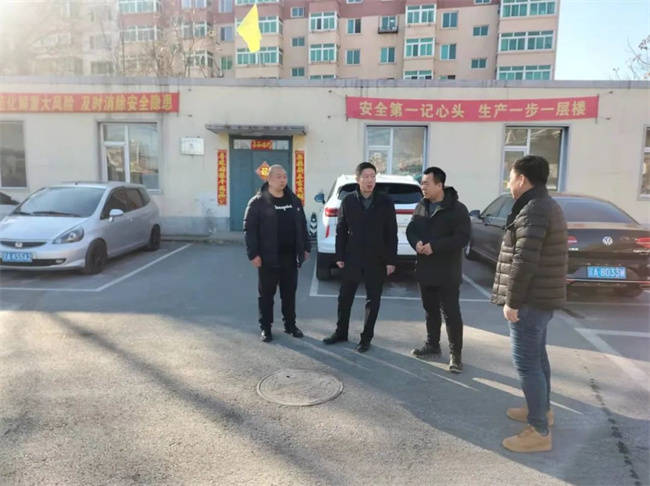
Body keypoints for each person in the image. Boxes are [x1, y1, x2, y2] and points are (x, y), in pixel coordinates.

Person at [492, 155, 568, 453]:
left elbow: (524, 261)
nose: (509, 183)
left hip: (531, 300)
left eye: (511, 177)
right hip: (541, 298)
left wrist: (512, 302)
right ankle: (542, 410)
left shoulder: (534, 209)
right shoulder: (544, 205)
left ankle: (539, 430)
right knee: (538, 358)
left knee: (527, 364)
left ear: (522, 179)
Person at [322, 162, 397, 353]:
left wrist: (391, 260)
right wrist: (339, 255)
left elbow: (391, 232)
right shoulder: (349, 201)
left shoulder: (385, 201)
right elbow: (341, 229)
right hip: (352, 256)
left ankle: (366, 338)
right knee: (345, 297)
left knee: (373, 300)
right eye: (366, 176)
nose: (370, 180)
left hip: (377, 258)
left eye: (373, 176)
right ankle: (341, 332)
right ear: (358, 179)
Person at [406, 167, 470, 373]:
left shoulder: (457, 209)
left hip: (447, 271)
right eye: (422, 183)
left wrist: (435, 246)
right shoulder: (421, 206)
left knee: (451, 313)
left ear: (439, 185)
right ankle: (432, 345)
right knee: (430, 310)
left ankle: (456, 355)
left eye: (426, 183)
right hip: (425, 269)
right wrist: (416, 243)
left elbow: (462, 238)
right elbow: (411, 230)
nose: (422, 187)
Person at [244, 165, 311, 343]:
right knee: (267, 295)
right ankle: (266, 328)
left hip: (290, 256)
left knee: (289, 294)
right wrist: (253, 254)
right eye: (278, 177)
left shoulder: (293, 200)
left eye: (285, 176)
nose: (282, 180)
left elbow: (302, 225)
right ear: (269, 179)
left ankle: (290, 325)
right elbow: (249, 230)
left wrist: (305, 247)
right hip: (268, 258)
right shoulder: (258, 202)